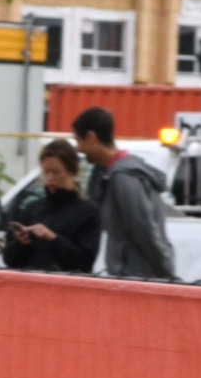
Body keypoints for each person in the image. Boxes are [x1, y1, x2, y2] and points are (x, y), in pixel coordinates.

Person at [70, 105, 177, 281]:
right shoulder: (120, 173)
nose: (78, 149)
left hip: (136, 278)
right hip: (137, 276)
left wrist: (167, 273)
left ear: (91, 137)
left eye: (78, 141)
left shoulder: (123, 177)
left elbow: (144, 230)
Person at [0, 138, 101, 274]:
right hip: (33, 283)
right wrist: (21, 243)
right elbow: (9, 260)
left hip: (66, 285)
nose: (50, 178)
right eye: (46, 172)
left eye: (56, 172)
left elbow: (84, 261)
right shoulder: (32, 209)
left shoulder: (88, 212)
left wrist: (53, 238)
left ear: (72, 171)